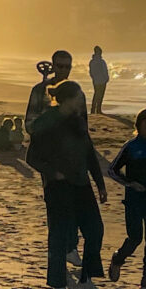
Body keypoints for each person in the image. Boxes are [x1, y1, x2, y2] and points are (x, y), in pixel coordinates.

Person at [26, 81, 108, 289]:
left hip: (82, 184)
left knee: (95, 230)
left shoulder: (78, 120)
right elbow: (32, 157)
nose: (82, 101)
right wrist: (54, 173)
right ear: (67, 99)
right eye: (79, 97)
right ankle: (58, 285)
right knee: (59, 235)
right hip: (58, 187)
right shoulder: (47, 121)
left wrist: (100, 184)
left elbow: (89, 153)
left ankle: (87, 279)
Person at [26, 50, 87, 267]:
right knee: (55, 205)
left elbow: (83, 126)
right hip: (49, 160)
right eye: (59, 66)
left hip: (73, 160)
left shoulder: (76, 93)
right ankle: (58, 249)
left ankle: (70, 246)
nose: (63, 70)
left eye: (67, 67)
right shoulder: (39, 91)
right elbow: (29, 124)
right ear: (52, 66)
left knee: (74, 206)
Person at [107, 109, 146, 289]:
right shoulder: (130, 147)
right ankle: (118, 259)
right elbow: (112, 170)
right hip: (133, 199)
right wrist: (130, 184)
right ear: (139, 125)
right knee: (135, 238)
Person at [88, 46, 110, 115]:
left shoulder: (92, 61)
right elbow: (104, 71)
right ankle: (97, 109)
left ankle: (94, 109)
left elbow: (91, 72)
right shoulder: (101, 61)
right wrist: (106, 78)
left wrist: (93, 78)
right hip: (101, 80)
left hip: (96, 80)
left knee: (97, 94)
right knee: (100, 94)